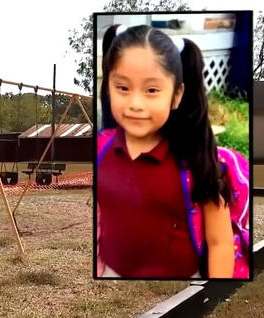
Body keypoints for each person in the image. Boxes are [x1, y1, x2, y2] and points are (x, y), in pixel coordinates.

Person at [97, 24, 235, 279]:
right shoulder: (100, 149)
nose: (135, 104)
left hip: (184, 294)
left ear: (176, 95)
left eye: (151, 90)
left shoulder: (198, 160)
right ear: (108, 86)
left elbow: (221, 244)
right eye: (123, 88)